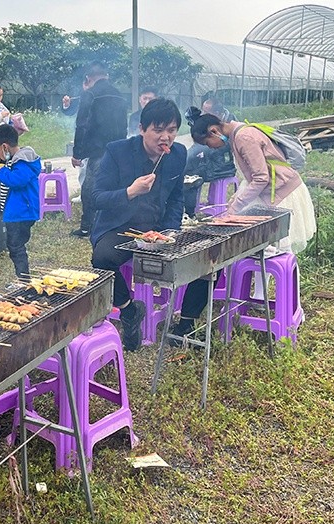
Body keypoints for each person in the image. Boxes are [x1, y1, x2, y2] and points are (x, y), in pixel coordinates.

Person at [173, 107, 317, 339]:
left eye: (209, 143)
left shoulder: (244, 137)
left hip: (282, 194)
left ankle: (289, 307)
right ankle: (260, 298)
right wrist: (236, 202)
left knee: (282, 249)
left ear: (214, 131)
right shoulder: (238, 133)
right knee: (269, 249)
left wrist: (235, 207)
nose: (211, 148)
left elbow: (260, 178)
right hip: (272, 192)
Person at [90, 98, 186, 350]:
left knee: (194, 257)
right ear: (142, 129)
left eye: (172, 130)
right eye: (158, 130)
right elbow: (96, 198)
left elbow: (177, 197)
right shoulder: (117, 152)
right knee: (102, 258)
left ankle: (184, 319)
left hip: (157, 229)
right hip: (120, 227)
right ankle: (129, 310)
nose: (165, 137)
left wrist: (170, 230)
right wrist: (130, 192)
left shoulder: (178, 155)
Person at [70, 61, 128, 238]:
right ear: (107, 76)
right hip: (117, 149)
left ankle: (87, 227)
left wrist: (77, 153)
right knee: (111, 187)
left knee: (90, 189)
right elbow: (124, 126)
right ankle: (110, 223)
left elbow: (82, 125)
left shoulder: (90, 94)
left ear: (88, 78)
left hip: (97, 151)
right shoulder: (120, 95)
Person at [0, 124, 41, 277]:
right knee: (15, 245)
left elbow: (17, 180)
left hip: (21, 212)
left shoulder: (23, 161)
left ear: (4, 147)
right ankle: (22, 277)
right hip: (18, 212)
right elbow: (12, 168)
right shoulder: (16, 160)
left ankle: (23, 278)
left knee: (16, 246)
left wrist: (2, 171)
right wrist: (3, 164)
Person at [182, 97, 238, 216]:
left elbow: (202, 149)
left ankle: (189, 212)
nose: (204, 114)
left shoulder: (223, 126)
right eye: (203, 110)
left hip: (220, 168)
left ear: (217, 113)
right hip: (217, 163)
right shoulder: (215, 123)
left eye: (207, 111)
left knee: (188, 176)